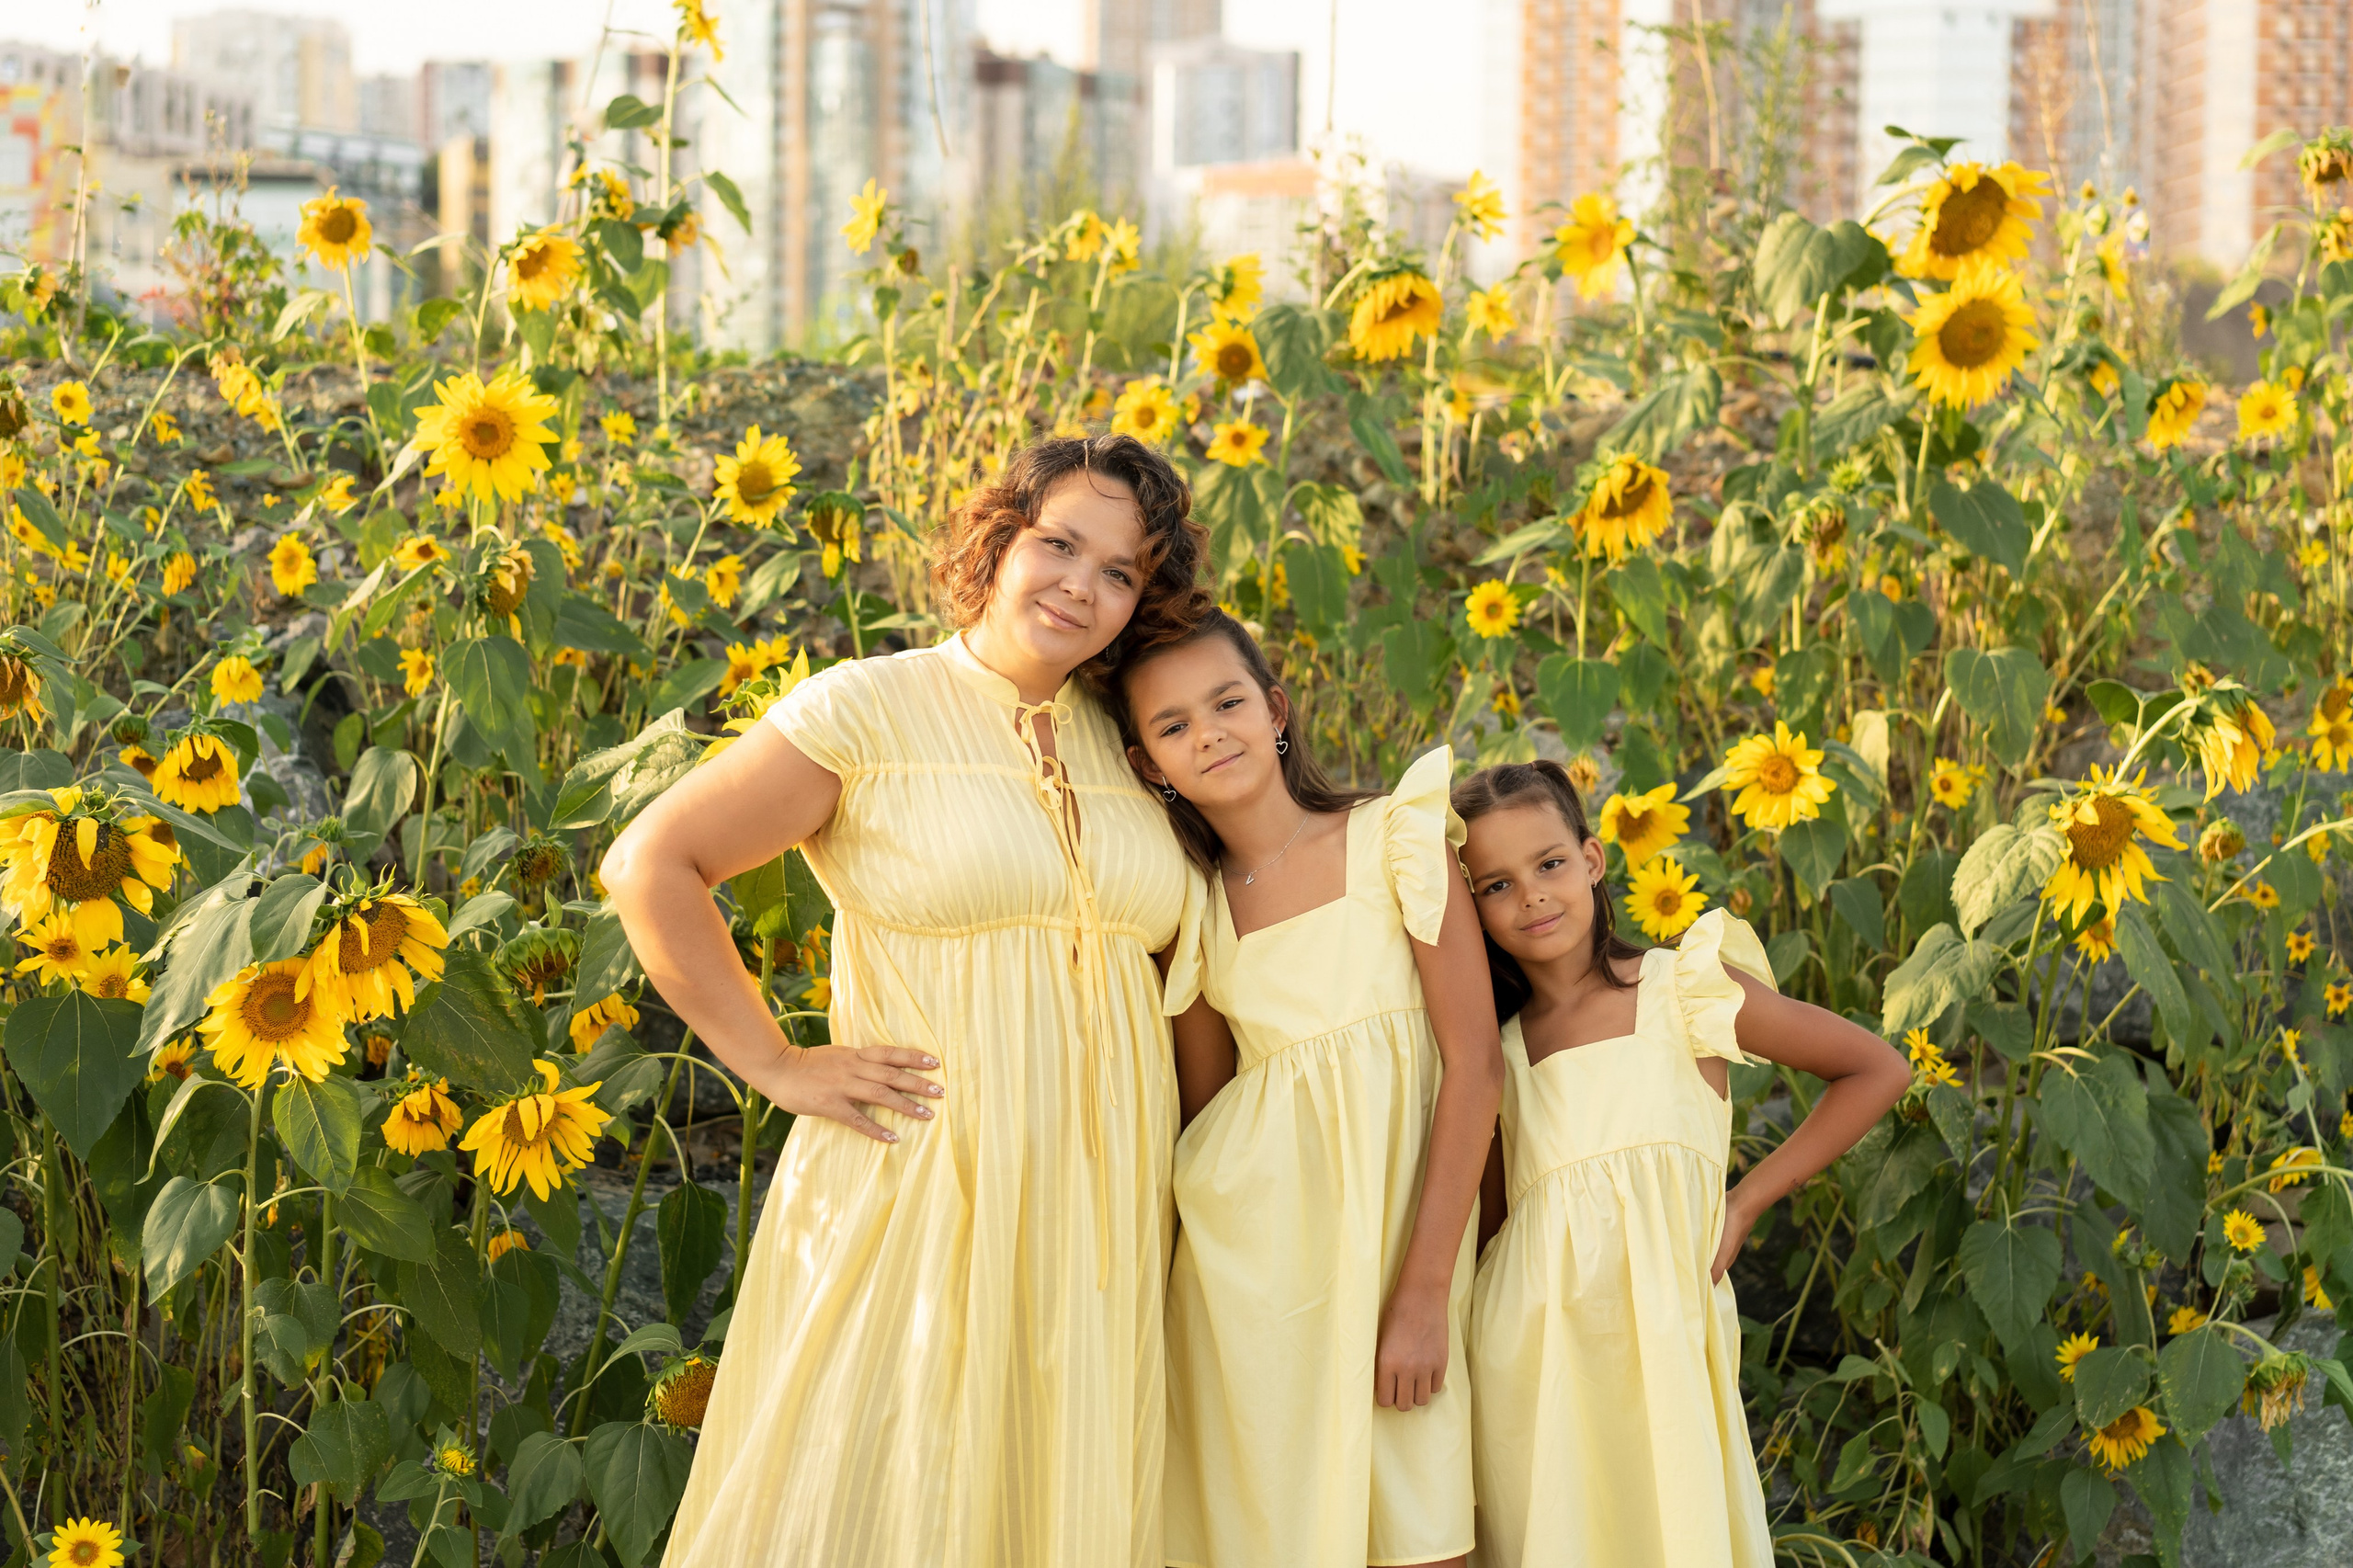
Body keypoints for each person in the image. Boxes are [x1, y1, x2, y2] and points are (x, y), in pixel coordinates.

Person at [600, 434, 1213, 1568]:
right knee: (880, 1496)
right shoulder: (869, 709)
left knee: (1059, 1504)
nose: (1082, 583)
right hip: (927, 1181)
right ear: (997, 541)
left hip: (1107, 1208)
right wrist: (775, 1062)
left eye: (1121, 571)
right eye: (1058, 543)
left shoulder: (1135, 739)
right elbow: (650, 864)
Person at [1114, 610, 1504, 1568]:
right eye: (1172, 726)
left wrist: (1422, 1291)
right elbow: (1205, 1113)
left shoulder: (1393, 840)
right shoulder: (1196, 910)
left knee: (1427, 1532)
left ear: (1275, 708)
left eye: (1227, 701)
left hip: (1401, 1257)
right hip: (1255, 1283)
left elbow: (1475, 1062)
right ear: (1149, 765)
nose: (1207, 731)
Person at [1450, 760, 1909, 1568]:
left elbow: (1876, 1070)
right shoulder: (1492, 1052)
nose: (1532, 896)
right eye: (1496, 884)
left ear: (1593, 860)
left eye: (1550, 863)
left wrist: (1745, 1203)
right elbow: (1493, 1227)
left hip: (1663, 1347)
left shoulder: (1683, 991)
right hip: (1532, 1369)